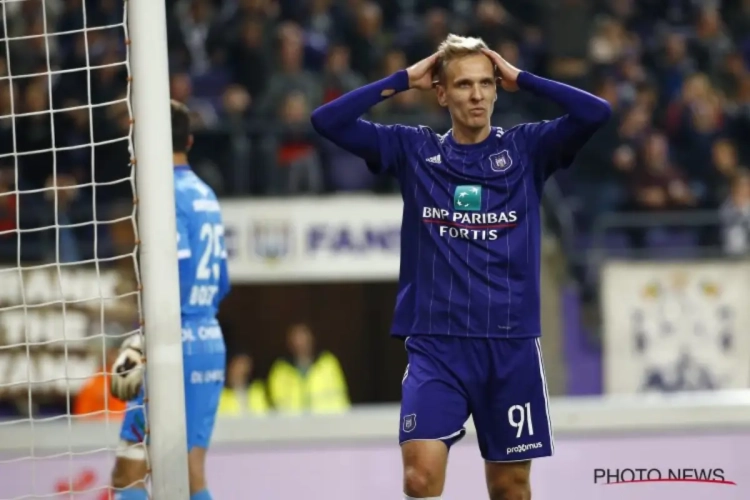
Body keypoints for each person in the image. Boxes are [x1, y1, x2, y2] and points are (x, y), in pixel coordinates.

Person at [310, 34, 611, 500]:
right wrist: (401, 80)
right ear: (441, 93)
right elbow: (326, 121)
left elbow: (597, 113)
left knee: (510, 487)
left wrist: (523, 78)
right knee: (419, 480)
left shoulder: (527, 148)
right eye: (464, 84)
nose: (477, 95)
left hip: (509, 346)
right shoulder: (414, 150)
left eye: (486, 83)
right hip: (437, 345)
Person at [108, 100, 230, 500]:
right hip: (209, 341)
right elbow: (222, 282)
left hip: (172, 344)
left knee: (128, 474)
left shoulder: (163, 194)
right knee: (193, 473)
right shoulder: (206, 195)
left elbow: (172, 274)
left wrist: (143, 340)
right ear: (189, 141)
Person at [267, 323, 350, 414]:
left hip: (326, 420)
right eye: (296, 338)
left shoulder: (328, 364)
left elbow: (340, 398)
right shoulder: (280, 371)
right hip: (293, 422)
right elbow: (275, 405)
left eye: (303, 337)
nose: (300, 342)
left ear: (311, 338)